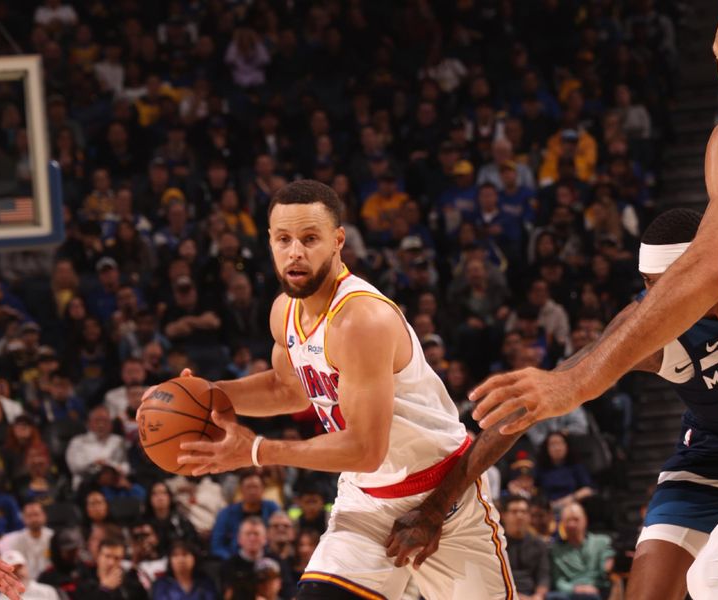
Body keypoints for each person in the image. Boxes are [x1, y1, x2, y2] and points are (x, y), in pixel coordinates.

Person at [145, 180, 515, 599]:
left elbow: (365, 448)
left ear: (338, 241)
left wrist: (255, 451)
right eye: (283, 239)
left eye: (309, 238)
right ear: (269, 241)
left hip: (442, 497)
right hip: (366, 500)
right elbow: (289, 388)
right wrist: (205, 395)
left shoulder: (361, 320)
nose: (295, 252)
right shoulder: (285, 310)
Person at [386, 208, 718, 600]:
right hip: (712, 460)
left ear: (705, 269)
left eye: (666, 286)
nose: (656, 302)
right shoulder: (643, 328)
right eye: (649, 286)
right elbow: (530, 407)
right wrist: (437, 507)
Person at [548, 502, 614, 600]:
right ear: (562, 524)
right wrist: (575, 589)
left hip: (596, 589)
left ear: (585, 520)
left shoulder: (601, 542)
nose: (572, 524)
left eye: (576, 519)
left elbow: (606, 567)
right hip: (570, 592)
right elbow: (558, 582)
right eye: (568, 520)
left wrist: (609, 565)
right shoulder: (555, 549)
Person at [502, 495, 549, 600]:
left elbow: (543, 576)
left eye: (523, 512)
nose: (519, 516)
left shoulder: (539, 544)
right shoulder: (495, 545)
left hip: (532, 595)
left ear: (529, 516)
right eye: (514, 511)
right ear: (504, 516)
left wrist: (539, 596)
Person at [0, 500, 53, 580]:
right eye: (29, 516)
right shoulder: (14, 540)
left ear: (44, 515)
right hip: (24, 581)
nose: (34, 519)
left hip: (49, 580)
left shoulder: (53, 537)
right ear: (23, 518)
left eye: (36, 515)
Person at [150, 540, 217, 600]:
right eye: (175, 555)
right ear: (170, 561)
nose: (180, 560)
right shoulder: (161, 584)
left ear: (194, 558)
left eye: (185, 554)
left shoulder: (205, 582)